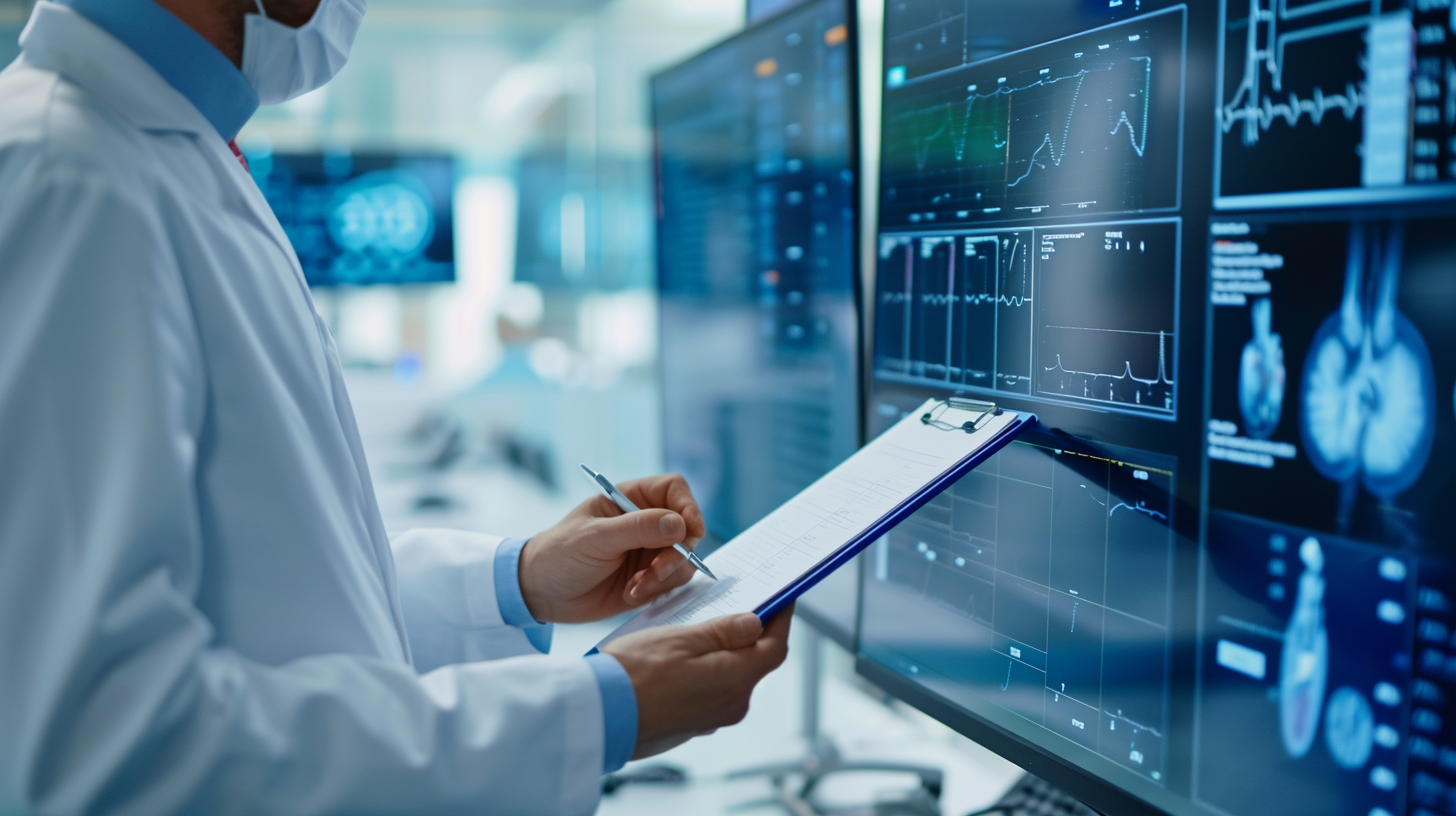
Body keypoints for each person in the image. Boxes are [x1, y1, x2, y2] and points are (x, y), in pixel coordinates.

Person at [0, 0, 791, 814]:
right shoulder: (67, 173)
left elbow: (267, 603)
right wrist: (597, 713)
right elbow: (105, 749)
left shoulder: (174, 152)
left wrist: (516, 583)